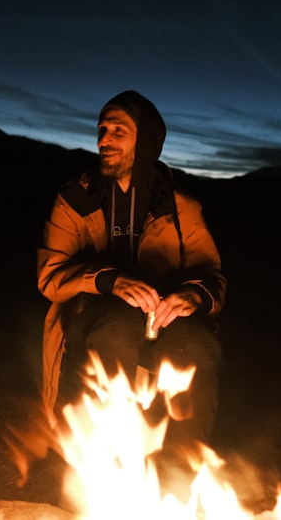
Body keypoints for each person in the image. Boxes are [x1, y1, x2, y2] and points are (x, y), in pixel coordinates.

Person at [37, 90, 225, 473]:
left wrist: (192, 295)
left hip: (160, 318)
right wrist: (107, 280)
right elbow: (50, 276)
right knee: (116, 328)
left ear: (146, 141)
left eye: (117, 131)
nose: (103, 140)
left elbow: (212, 275)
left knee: (199, 345)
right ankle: (109, 467)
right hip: (93, 311)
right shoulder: (76, 199)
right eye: (102, 129)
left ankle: (182, 471)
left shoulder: (178, 205)